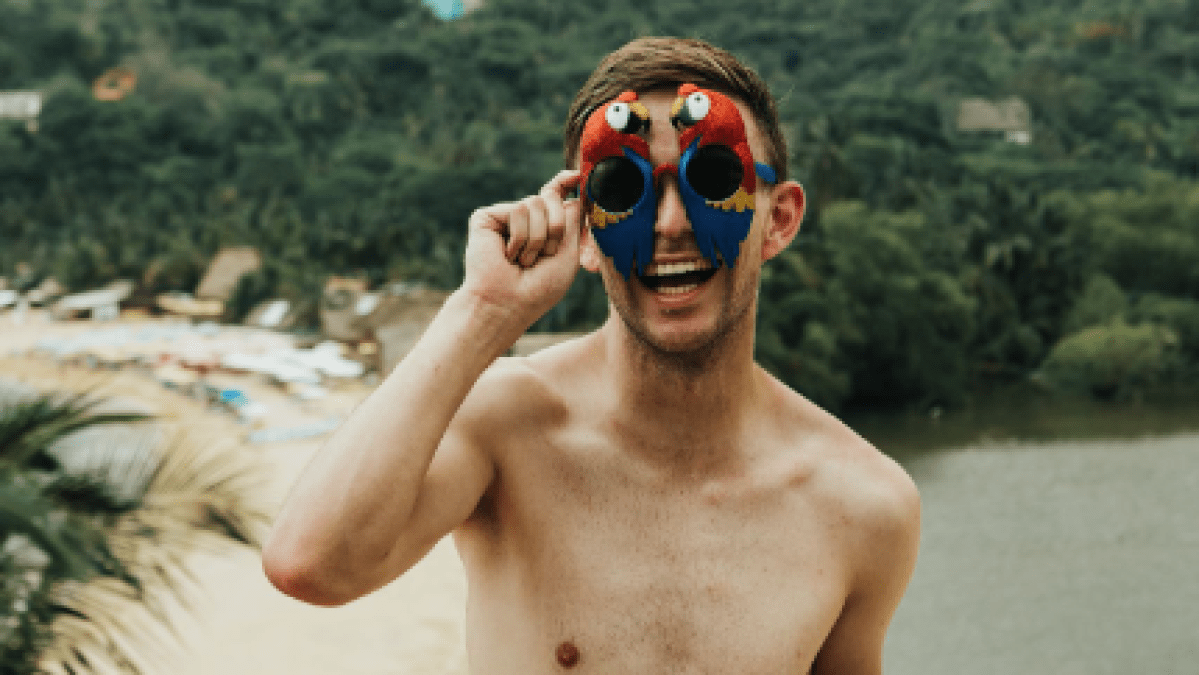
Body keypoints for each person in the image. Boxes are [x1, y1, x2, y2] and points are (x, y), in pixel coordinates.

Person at [263, 37, 920, 675]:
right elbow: (310, 564)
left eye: (713, 177)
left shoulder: (861, 504)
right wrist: (484, 311)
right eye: (621, 189)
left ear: (777, 218)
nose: (668, 223)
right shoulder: (506, 426)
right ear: (583, 230)